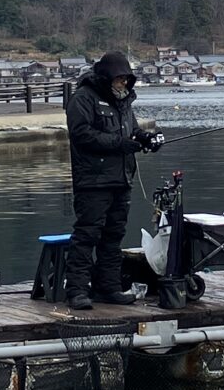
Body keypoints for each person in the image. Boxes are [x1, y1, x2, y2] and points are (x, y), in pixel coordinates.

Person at [60, 50, 162, 311]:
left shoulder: (123, 102)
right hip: (93, 181)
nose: (123, 83)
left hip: (121, 179)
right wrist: (120, 144)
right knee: (87, 234)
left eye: (127, 79)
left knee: (114, 236)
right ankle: (77, 290)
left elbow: (132, 130)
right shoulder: (83, 98)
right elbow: (81, 134)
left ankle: (108, 288)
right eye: (119, 79)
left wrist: (146, 138)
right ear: (107, 77)